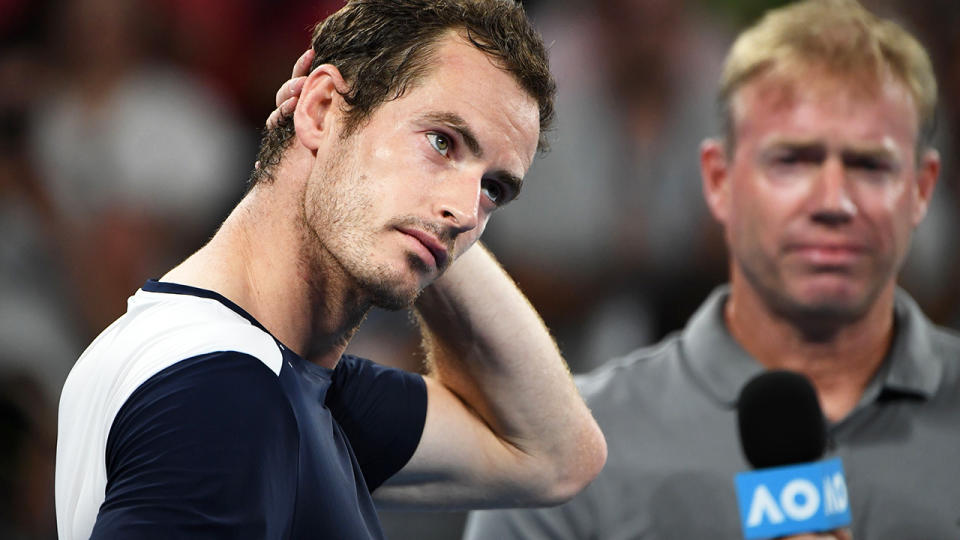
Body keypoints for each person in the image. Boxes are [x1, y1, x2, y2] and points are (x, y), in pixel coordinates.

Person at [54, 1, 607, 538]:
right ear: (320, 109)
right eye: (442, 140)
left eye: (493, 188)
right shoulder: (226, 396)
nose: (466, 214)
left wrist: (425, 220)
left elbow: (556, 457)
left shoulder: (269, 373)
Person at [465, 0, 960, 538]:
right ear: (720, 181)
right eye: (791, 161)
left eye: (870, 164)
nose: (832, 201)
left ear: (922, 189)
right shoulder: (561, 454)